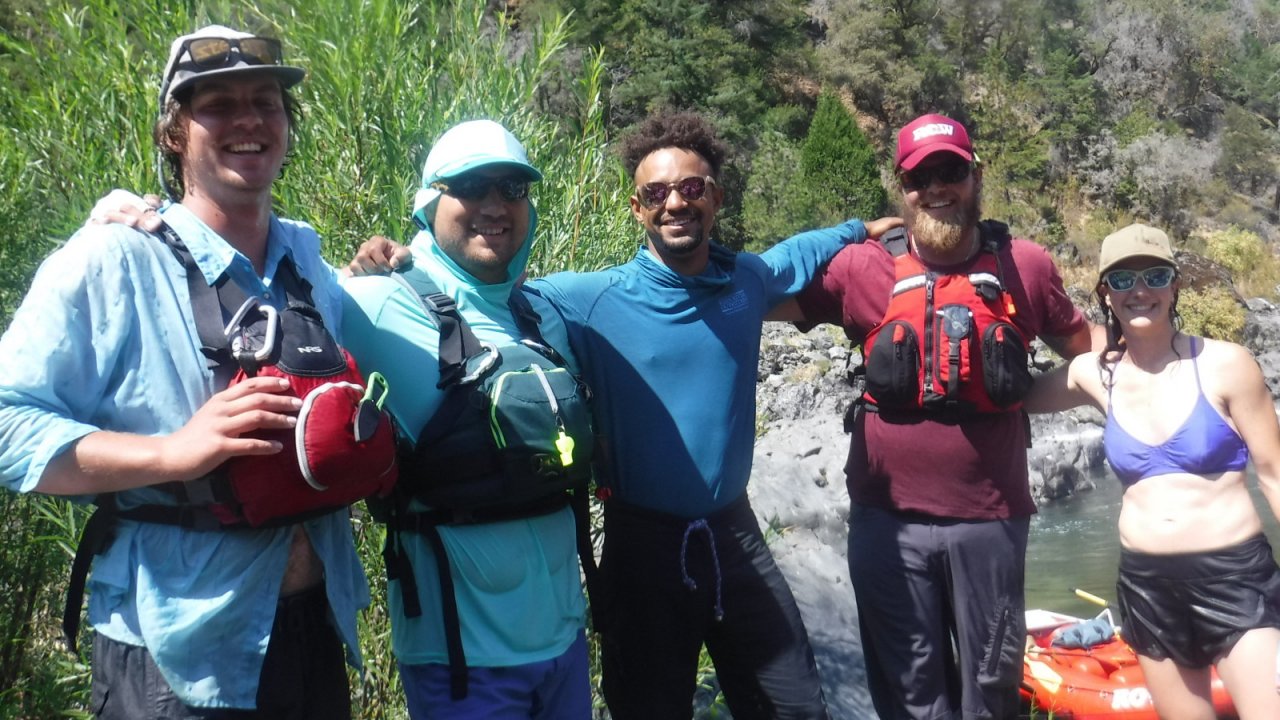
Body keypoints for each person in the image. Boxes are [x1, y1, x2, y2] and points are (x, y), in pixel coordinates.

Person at [351, 111, 902, 718]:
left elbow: (801, 252)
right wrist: (399, 261)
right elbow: (485, 294)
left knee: (796, 705)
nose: (676, 204)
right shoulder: (583, 300)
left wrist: (861, 228)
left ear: (716, 197)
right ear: (636, 208)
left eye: (692, 189)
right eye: (656, 193)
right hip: (641, 546)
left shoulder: (746, 280)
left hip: (736, 535)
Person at [0, 25, 369, 719]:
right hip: (172, 659)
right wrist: (172, 452)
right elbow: (7, 424)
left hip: (313, 631)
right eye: (218, 104)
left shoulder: (307, 266)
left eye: (266, 100)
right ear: (174, 131)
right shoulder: (111, 260)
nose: (249, 120)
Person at [791, 113, 1093, 719]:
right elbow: (763, 293)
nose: (936, 187)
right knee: (909, 695)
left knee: (992, 690)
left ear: (975, 175)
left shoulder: (1026, 266)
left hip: (990, 519)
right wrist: (842, 231)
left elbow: (1090, 355)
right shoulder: (862, 267)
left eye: (950, 170)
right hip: (886, 522)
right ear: (901, 187)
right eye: (920, 176)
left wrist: (1031, 393)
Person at [340, 119, 593, 718]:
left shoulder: (542, 315)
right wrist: (138, 226)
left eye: (512, 189)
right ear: (430, 203)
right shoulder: (374, 302)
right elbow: (263, 291)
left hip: (563, 645)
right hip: (460, 663)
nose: (494, 204)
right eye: (472, 186)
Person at [1024, 223, 1280, 720]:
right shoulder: (1095, 373)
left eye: (1154, 276)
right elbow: (1009, 398)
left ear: (1175, 284)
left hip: (1235, 580)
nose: (1139, 291)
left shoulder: (1228, 364)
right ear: (1105, 293)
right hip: (1147, 585)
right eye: (1122, 281)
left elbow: (1273, 473)